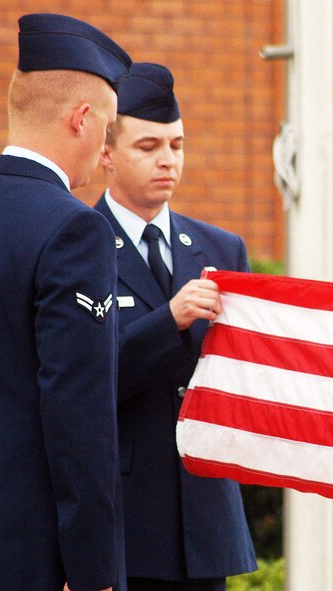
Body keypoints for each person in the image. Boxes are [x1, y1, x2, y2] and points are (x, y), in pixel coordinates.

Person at [0, 13, 131, 591]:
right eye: (108, 131)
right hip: (29, 556)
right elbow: (78, 417)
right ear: (82, 120)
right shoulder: (74, 231)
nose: (107, 152)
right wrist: (93, 569)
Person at [95, 62, 257, 591]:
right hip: (126, 518)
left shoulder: (220, 248)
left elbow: (240, 371)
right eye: (147, 147)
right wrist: (170, 320)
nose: (167, 161)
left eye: (177, 145)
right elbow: (86, 379)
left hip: (205, 513)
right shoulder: (77, 245)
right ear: (105, 154)